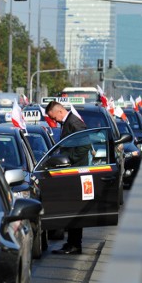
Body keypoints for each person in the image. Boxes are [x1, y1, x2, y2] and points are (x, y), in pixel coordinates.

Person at [45, 101, 88, 255]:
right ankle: (71, 242)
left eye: (54, 118)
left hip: (76, 172)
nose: (55, 121)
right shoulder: (69, 122)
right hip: (72, 171)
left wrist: (70, 159)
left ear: (59, 111)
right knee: (71, 208)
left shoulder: (74, 123)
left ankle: (75, 244)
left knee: (75, 209)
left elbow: (85, 145)